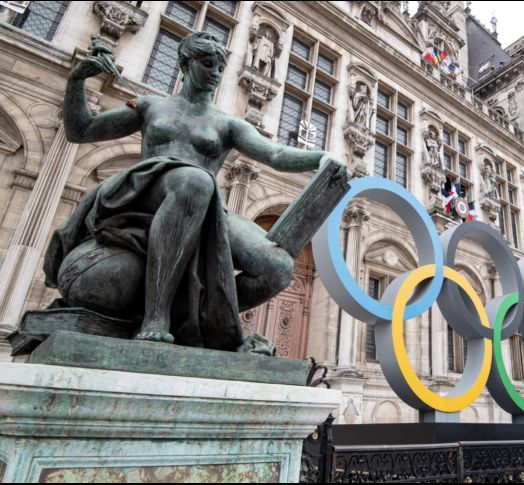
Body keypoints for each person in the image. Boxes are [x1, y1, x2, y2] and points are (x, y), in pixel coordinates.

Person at [46, 32, 347, 350]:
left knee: (277, 268)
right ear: (185, 64)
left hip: (204, 203)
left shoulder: (227, 124)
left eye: (220, 67)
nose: (216, 73)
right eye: (207, 63)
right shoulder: (151, 107)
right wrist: (77, 80)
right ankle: (156, 317)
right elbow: (81, 130)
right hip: (147, 192)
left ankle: (201, 319)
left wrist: (321, 157)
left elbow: (275, 154)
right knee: (194, 180)